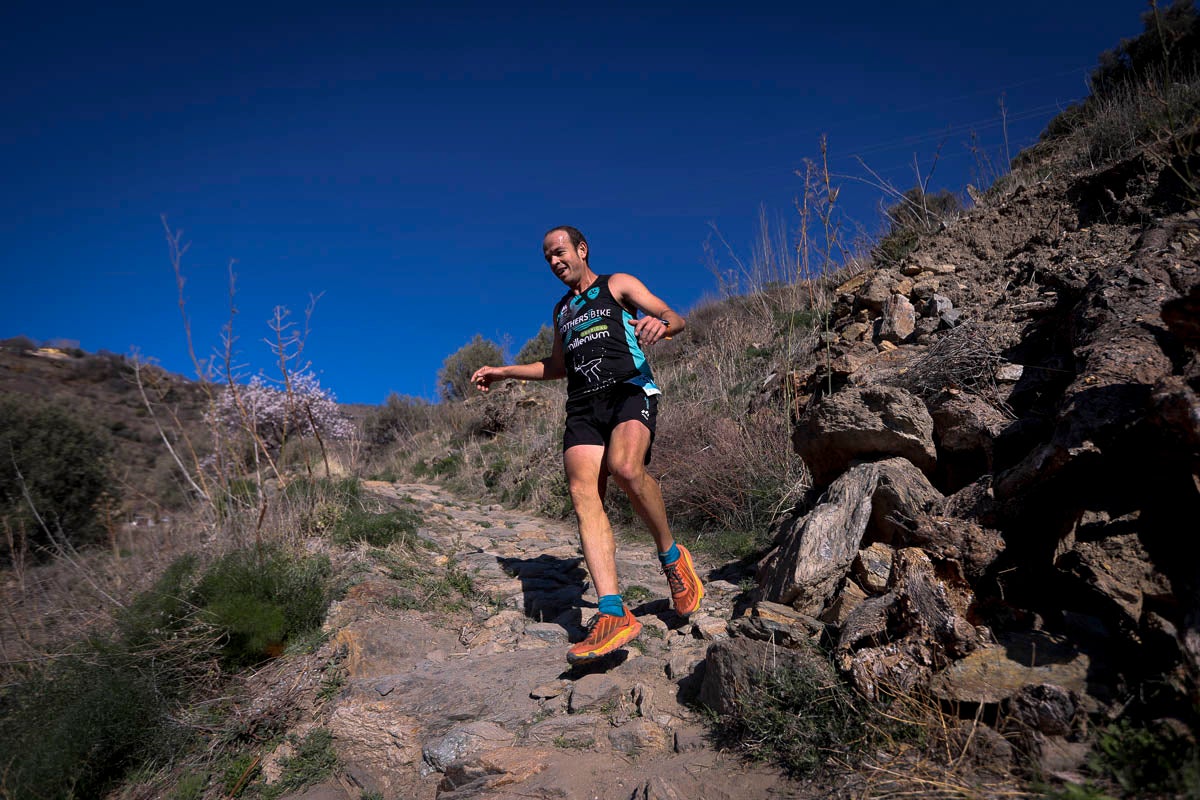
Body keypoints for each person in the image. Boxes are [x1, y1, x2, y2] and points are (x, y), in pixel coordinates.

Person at [470, 226, 703, 664]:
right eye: (547, 257)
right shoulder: (562, 310)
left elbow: (675, 318)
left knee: (626, 468)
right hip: (582, 407)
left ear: (581, 249)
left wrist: (660, 324)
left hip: (628, 390)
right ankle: (613, 612)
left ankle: (673, 558)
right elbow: (557, 366)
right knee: (583, 494)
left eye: (559, 252)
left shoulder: (617, 284)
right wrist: (504, 371)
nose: (554, 261)